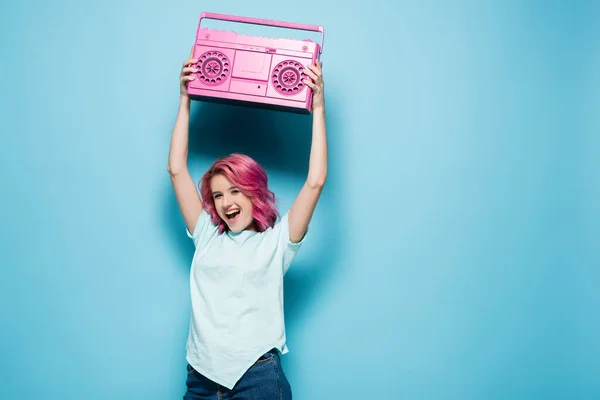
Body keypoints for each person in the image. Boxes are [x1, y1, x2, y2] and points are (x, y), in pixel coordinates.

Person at [167, 48, 327, 400]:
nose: (226, 203)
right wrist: (185, 100)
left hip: (258, 380)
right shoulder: (207, 234)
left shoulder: (278, 243)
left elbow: (315, 180)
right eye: (219, 195)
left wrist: (317, 107)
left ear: (254, 192)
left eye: (235, 191)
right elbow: (177, 170)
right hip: (201, 380)